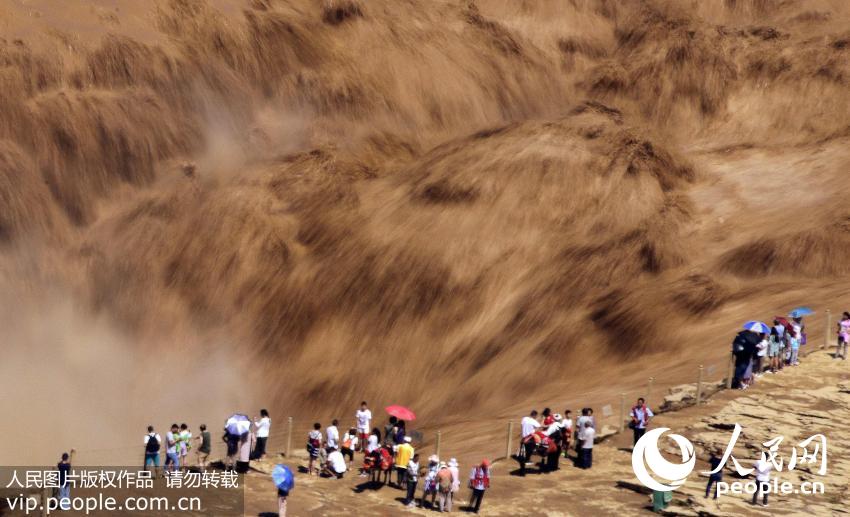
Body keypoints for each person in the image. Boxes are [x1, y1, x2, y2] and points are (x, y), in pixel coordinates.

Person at [518, 410, 540, 476]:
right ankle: (533, 453)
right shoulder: (534, 421)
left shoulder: (524, 418)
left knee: (522, 455)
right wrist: (534, 431)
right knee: (537, 442)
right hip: (530, 440)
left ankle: (522, 470)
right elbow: (539, 426)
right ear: (535, 415)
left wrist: (522, 434)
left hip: (523, 439)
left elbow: (522, 426)